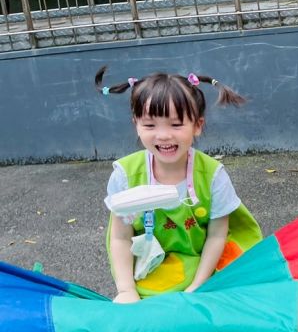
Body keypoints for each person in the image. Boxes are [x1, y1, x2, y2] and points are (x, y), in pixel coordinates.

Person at [97, 67, 262, 303]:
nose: (163, 135)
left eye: (175, 124)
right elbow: (120, 238)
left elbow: (217, 236)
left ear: (197, 125)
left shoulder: (213, 176)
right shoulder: (124, 176)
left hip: (203, 264)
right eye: (150, 125)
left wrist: (199, 285)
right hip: (151, 267)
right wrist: (126, 290)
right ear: (136, 124)